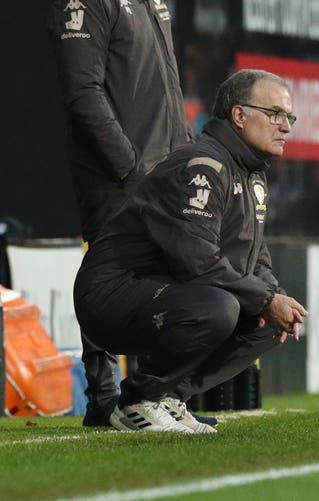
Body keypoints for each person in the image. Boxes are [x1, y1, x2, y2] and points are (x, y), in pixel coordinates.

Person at [73, 69, 307, 433]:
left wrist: (274, 298)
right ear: (240, 115)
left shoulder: (251, 173)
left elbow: (256, 259)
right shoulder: (202, 166)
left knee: (267, 320)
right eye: (275, 114)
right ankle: (137, 402)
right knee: (223, 306)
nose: (286, 127)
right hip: (112, 294)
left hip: (170, 294)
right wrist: (264, 299)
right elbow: (195, 260)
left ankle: (167, 397)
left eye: (288, 117)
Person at [49, 0, 194, 426]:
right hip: (115, 174)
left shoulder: (155, 2)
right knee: (107, 275)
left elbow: (169, 86)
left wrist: (184, 156)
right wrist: (129, 166)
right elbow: (82, 92)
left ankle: (152, 395)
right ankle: (104, 399)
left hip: (165, 168)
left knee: (167, 278)